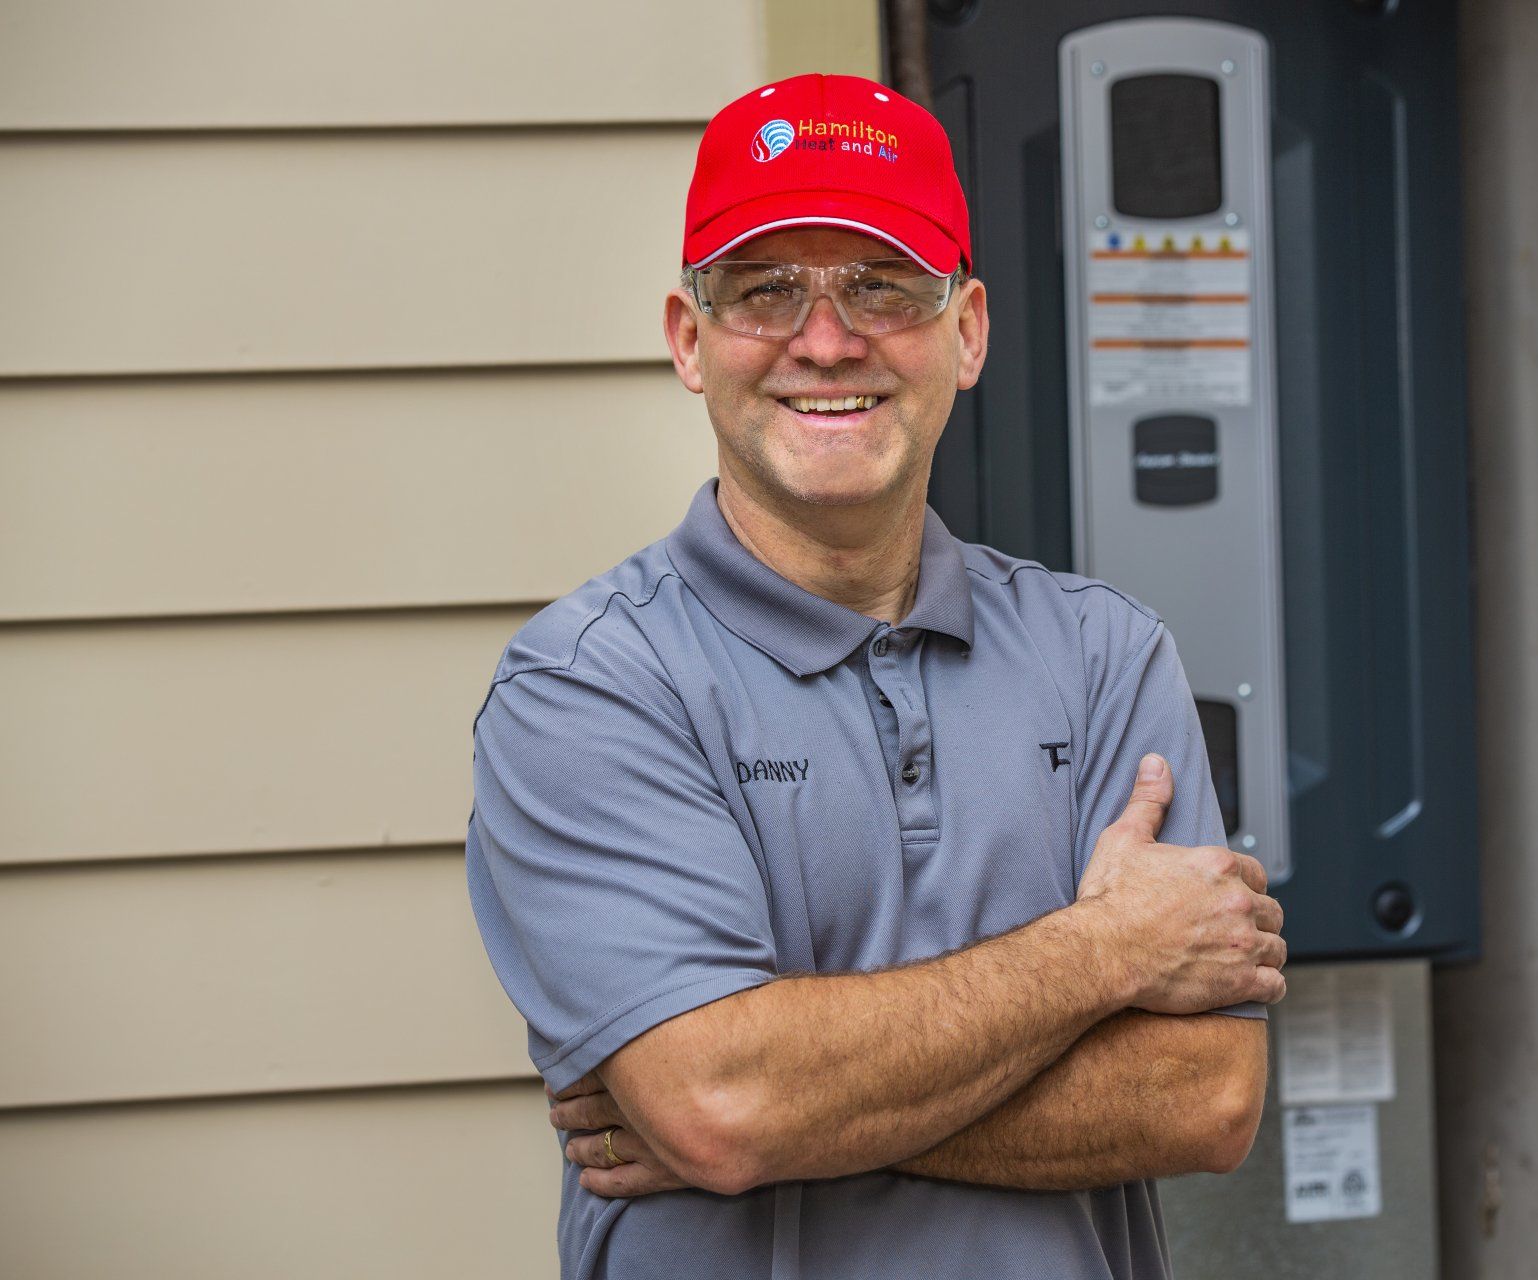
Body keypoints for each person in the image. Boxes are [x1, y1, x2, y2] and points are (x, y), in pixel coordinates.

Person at [465, 72, 1287, 1280]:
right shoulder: (589, 685)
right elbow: (723, 1103)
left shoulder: (1104, 655)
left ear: (968, 331)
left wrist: (790, 1102)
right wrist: (1105, 952)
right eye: (766, 291)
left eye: (882, 285)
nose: (827, 338)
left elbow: (1203, 1096)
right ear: (691, 341)